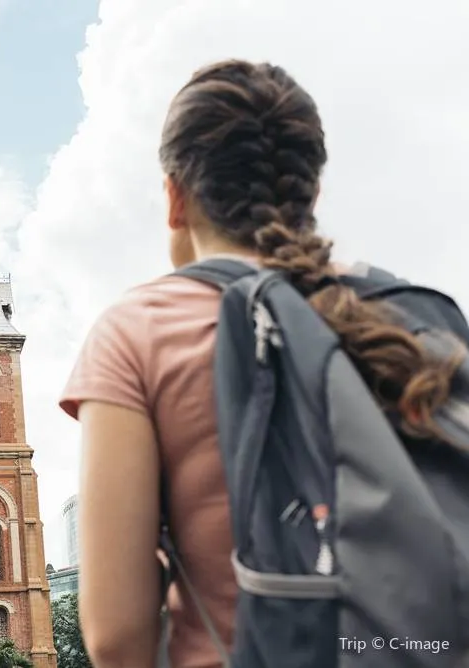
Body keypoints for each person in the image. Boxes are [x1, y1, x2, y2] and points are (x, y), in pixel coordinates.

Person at [59, 60, 467, 667]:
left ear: (175, 195)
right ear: (312, 193)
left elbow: (117, 639)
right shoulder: (413, 315)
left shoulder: (138, 329)